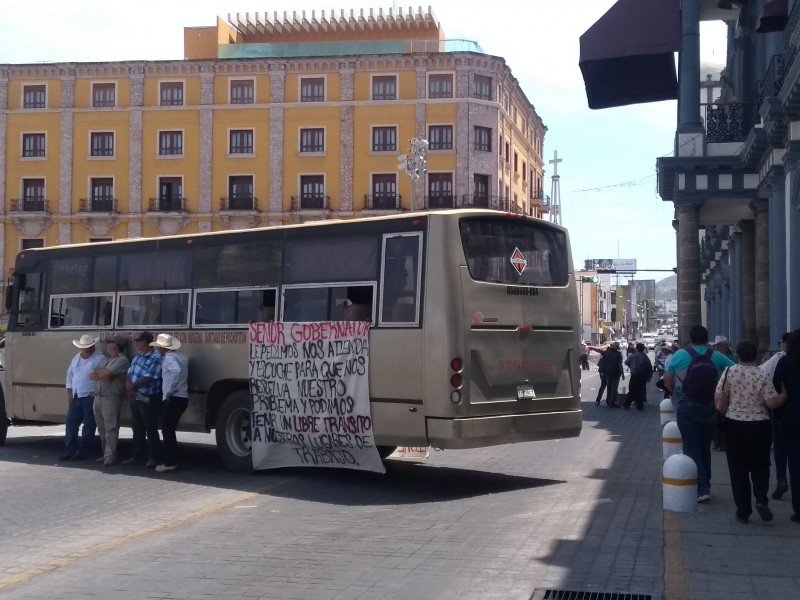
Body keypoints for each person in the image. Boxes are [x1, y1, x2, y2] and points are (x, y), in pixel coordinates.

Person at [664, 325, 736, 503]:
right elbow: (734, 370)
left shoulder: (680, 355)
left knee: (691, 445)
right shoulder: (716, 356)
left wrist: (674, 394)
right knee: (704, 447)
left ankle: (700, 487)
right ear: (707, 339)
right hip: (710, 407)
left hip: (686, 407)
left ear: (690, 339)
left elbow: (667, 378)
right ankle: (706, 484)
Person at [715, 340, 779, 523]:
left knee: (738, 469)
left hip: (734, 424)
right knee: (760, 466)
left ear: (737, 356)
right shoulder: (762, 375)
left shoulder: (730, 372)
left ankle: (743, 510)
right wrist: (784, 395)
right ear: (756, 355)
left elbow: (719, 397)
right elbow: (771, 402)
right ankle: (761, 499)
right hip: (760, 425)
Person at [771, 328, 800, 524]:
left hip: (791, 418)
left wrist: (779, 414)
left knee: (795, 463)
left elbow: (774, 386)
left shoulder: (785, 362)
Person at [61, 334, 106, 461]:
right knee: (71, 423)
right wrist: (69, 393)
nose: (87, 349)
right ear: (81, 348)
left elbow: (101, 376)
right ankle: (70, 450)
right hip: (76, 395)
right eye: (85, 347)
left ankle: (82, 451)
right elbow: (69, 377)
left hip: (89, 396)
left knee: (89, 425)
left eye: (89, 347)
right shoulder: (76, 358)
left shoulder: (99, 358)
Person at [149, 334, 189, 473]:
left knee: (167, 430)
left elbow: (175, 371)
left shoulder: (169, 359)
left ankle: (170, 462)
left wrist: (169, 391)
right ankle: (171, 459)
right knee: (169, 429)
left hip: (174, 397)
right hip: (182, 396)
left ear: (162, 348)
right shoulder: (181, 357)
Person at [122, 331, 162, 468]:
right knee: (137, 427)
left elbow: (150, 377)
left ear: (145, 341)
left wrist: (132, 386)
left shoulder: (156, 357)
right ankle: (137, 455)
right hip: (135, 396)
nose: (136, 343)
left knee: (150, 428)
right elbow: (129, 373)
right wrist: (130, 387)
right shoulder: (138, 357)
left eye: (138, 341)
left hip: (148, 397)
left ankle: (153, 457)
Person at [90, 337, 130, 467]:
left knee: (111, 427)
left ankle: (110, 455)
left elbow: (106, 374)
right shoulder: (106, 360)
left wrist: (103, 375)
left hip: (111, 397)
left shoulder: (122, 360)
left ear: (116, 346)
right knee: (101, 427)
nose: (107, 345)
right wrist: (103, 375)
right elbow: (92, 375)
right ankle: (105, 453)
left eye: (110, 343)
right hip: (98, 396)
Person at [761, 332, 790, 500]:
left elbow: (762, 374)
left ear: (785, 344)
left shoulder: (780, 359)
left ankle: (781, 479)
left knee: (780, 447)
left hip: (780, 408)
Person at [590, 342, 624, 407]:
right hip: (615, 373)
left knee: (607, 387)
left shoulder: (606, 353)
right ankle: (612, 402)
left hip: (607, 373)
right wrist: (622, 374)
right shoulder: (618, 354)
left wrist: (592, 348)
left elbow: (599, 351)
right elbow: (620, 365)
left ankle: (605, 401)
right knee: (614, 388)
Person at [624, 342, 652, 410]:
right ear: (643, 349)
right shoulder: (645, 356)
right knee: (641, 390)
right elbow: (649, 366)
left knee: (631, 390)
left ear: (636, 349)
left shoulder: (632, 356)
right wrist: (649, 376)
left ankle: (627, 405)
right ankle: (640, 406)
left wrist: (631, 365)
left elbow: (626, 362)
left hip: (634, 375)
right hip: (642, 376)